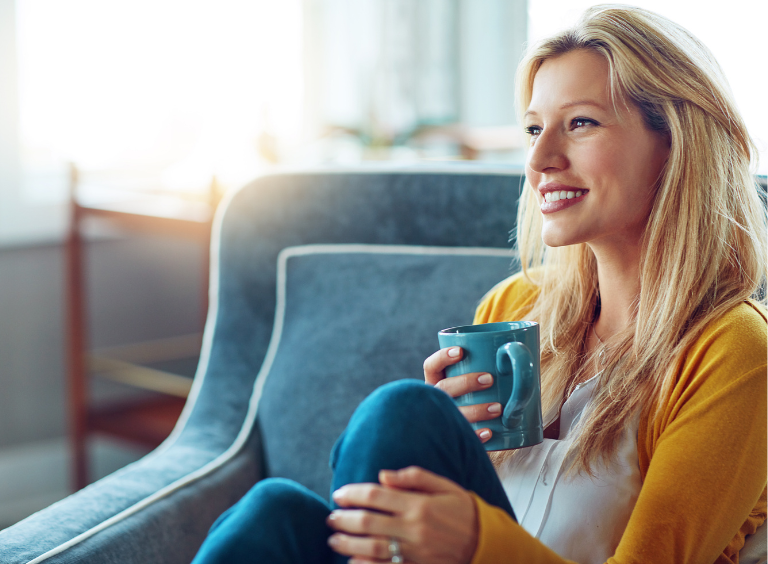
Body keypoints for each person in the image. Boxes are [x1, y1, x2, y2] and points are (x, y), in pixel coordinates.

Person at [192, 5, 767, 564]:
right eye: (534, 129)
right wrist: (447, 440)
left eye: (580, 123)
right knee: (276, 507)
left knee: (400, 412)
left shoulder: (735, 352)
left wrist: (474, 540)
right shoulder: (516, 306)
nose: (539, 158)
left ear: (676, 142)